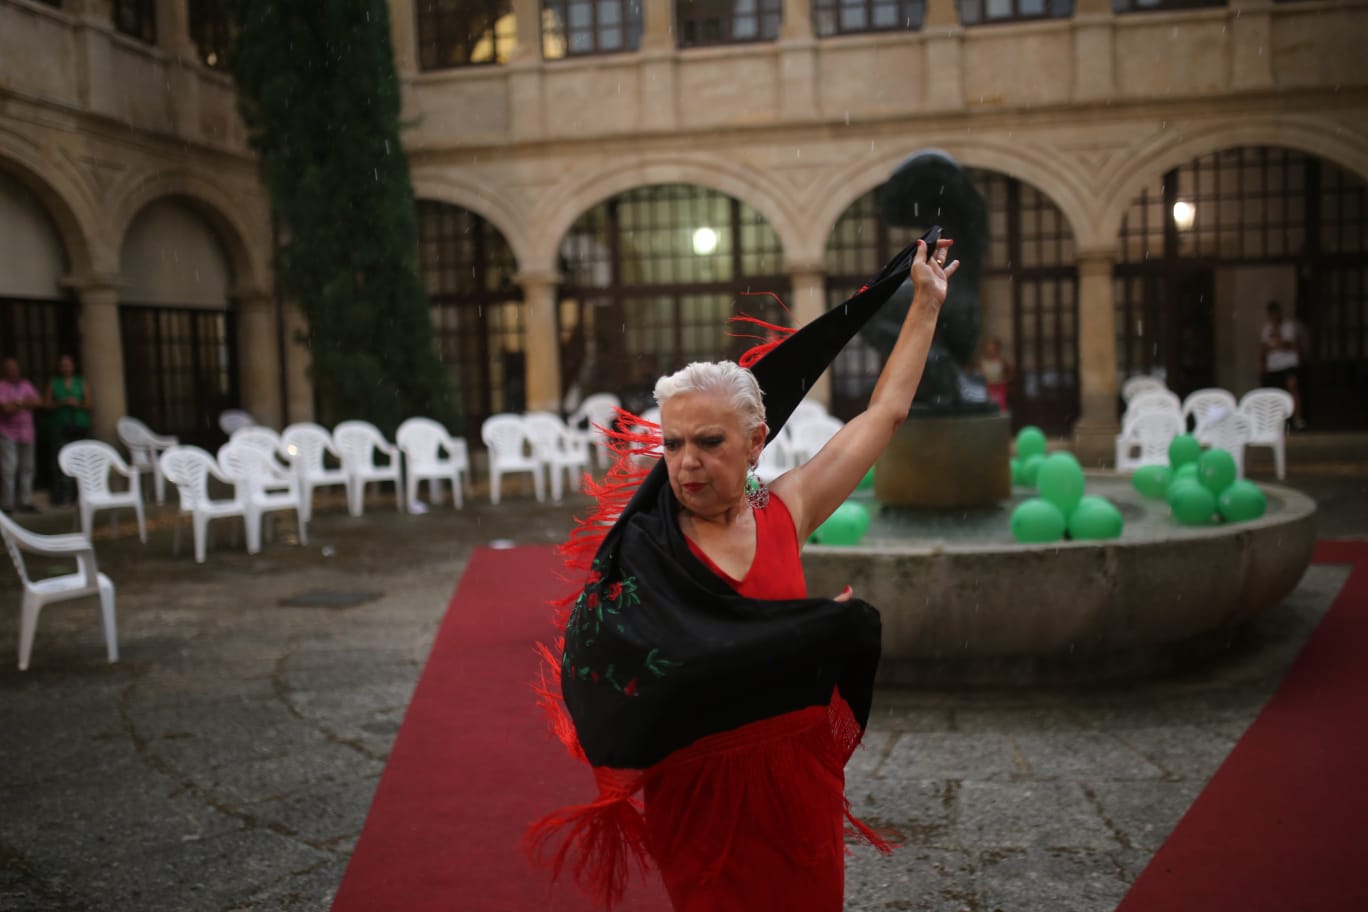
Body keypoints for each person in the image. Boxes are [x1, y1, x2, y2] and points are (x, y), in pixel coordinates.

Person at [531, 236, 958, 910]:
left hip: (796, 785)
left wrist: (924, 306)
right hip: (698, 797)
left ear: (756, 441)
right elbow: (616, 669)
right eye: (672, 444)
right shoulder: (648, 548)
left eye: (709, 442)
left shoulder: (789, 509)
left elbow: (885, 413)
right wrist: (800, 635)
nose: (686, 462)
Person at [44, 354, 92, 506]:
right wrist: (62, 402)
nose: (66, 368)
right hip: (60, 426)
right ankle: (62, 497)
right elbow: (46, 405)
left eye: (68, 365)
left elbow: (89, 404)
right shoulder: (54, 382)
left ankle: (82, 496)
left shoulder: (80, 382)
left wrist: (77, 404)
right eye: (63, 365)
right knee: (60, 461)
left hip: (79, 425)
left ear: (73, 366)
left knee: (79, 461)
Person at [0, 356, 43, 514]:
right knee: (8, 469)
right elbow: (6, 409)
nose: (13, 371)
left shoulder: (26, 384)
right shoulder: (2, 386)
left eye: (15, 368)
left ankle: (26, 502)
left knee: (27, 468)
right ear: (5, 371)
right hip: (7, 433)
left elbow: (38, 402)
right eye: (9, 369)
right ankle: (8, 505)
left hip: (27, 432)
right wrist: (24, 403)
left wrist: (16, 404)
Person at [1260, 301, 1306, 429]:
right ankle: (1279, 422)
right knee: (1276, 394)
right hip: (1274, 366)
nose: (1273, 317)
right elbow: (1264, 348)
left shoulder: (1288, 326)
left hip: (1289, 364)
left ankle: (1297, 419)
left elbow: (1289, 344)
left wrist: (1276, 340)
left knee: (1292, 388)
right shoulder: (1266, 329)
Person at [975, 336, 1013, 413]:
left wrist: (1005, 380)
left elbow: (1012, 373)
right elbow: (977, 376)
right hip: (986, 389)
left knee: (1000, 410)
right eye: (988, 348)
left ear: (997, 349)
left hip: (999, 388)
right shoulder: (982, 362)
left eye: (992, 348)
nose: (990, 350)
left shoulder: (1002, 361)